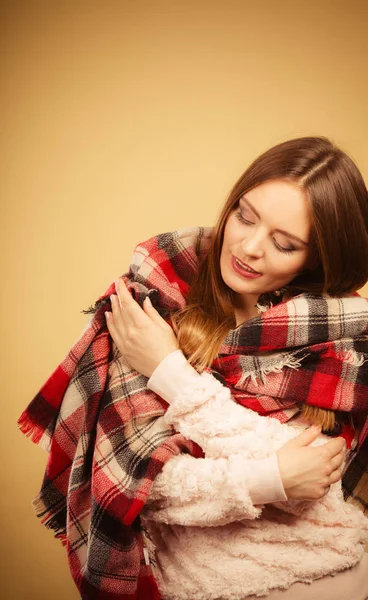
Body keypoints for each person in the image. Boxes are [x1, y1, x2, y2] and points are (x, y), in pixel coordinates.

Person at [104, 136, 368, 599]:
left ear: (318, 258)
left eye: (285, 243)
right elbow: (144, 485)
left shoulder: (343, 336)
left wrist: (171, 373)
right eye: (244, 216)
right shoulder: (157, 296)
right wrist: (274, 478)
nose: (248, 247)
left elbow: (323, 489)